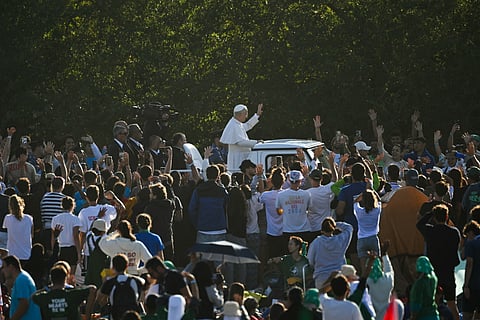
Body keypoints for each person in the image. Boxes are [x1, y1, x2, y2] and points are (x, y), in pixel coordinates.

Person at [416, 204, 461, 319]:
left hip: (434, 272)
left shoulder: (430, 231)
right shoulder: (454, 232)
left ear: (434, 218)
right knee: (452, 304)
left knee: (433, 302)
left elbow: (419, 224)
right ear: (447, 217)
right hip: (448, 271)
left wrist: (430, 213)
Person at [32, 265, 96, 320]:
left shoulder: (44, 297)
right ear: (65, 278)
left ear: (51, 279)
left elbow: (33, 296)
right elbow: (93, 289)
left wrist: (47, 288)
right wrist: (88, 315)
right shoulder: (73, 295)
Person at [307, 218, 353, 289]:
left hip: (321, 277)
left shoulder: (316, 242)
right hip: (339, 277)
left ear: (322, 229)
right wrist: (335, 224)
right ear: (333, 229)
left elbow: (310, 260)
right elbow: (349, 227)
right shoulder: (340, 240)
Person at [97, 254, 146, 320]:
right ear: (127, 265)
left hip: (116, 316)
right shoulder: (136, 281)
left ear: (113, 267)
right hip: (133, 316)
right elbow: (143, 295)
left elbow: (100, 299)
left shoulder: (110, 282)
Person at [188, 165, 229, 243]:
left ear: (206, 175)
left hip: (203, 229)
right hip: (220, 229)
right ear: (218, 176)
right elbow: (228, 207)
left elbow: (191, 209)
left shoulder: (198, 190)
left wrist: (197, 224)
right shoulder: (222, 191)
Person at [220, 103, 263, 172]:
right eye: (245, 114)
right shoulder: (233, 125)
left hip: (241, 156)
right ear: (240, 115)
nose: (246, 116)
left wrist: (257, 115)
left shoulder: (237, 123)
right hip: (237, 158)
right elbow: (240, 142)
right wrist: (256, 142)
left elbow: (247, 126)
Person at [50, 196, 82, 277]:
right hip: (72, 249)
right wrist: (79, 252)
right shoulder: (75, 219)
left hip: (61, 248)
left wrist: (52, 249)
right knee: (72, 275)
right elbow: (75, 236)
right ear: (72, 206)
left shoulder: (55, 219)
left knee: (62, 274)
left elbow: (53, 237)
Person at [276, 170, 311, 242]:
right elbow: (309, 208)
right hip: (304, 229)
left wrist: (286, 211)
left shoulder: (281, 194)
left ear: (289, 180)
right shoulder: (306, 194)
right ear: (300, 180)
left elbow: (278, 211)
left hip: (288, 229)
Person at [2, 255, 42, 319]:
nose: (3, 271)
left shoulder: (21, 280)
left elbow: (24, 304)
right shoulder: (22, 277)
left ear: (11, 267)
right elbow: (18, 300)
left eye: (4, 267)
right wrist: (9, 288)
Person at [353, 189, 382, 272]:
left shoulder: (359, 211)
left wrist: (361, 195)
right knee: (378, 263)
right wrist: (373, 191)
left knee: (363, 267)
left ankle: (365, 280)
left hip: (361, 239)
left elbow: (355, 201)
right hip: (373, 238)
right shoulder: (377, 210)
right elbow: (379, 200)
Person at [260, 168, 285, 258]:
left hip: (271, 231)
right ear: (283, 182)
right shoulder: (286, 194)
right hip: (285, 231)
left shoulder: (266, 195)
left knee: (272, 257)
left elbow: (260, 198)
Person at [3, 194, 34, 264]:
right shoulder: (29, 218)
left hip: (12, 253)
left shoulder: (8, 218)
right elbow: (32, 235)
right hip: (26, 253)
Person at [462, 220, 480, 320]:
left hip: (473, 285)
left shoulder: (472, 244)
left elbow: (468, 262)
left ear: (470, 233)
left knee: (467, 314)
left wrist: (466, 285)